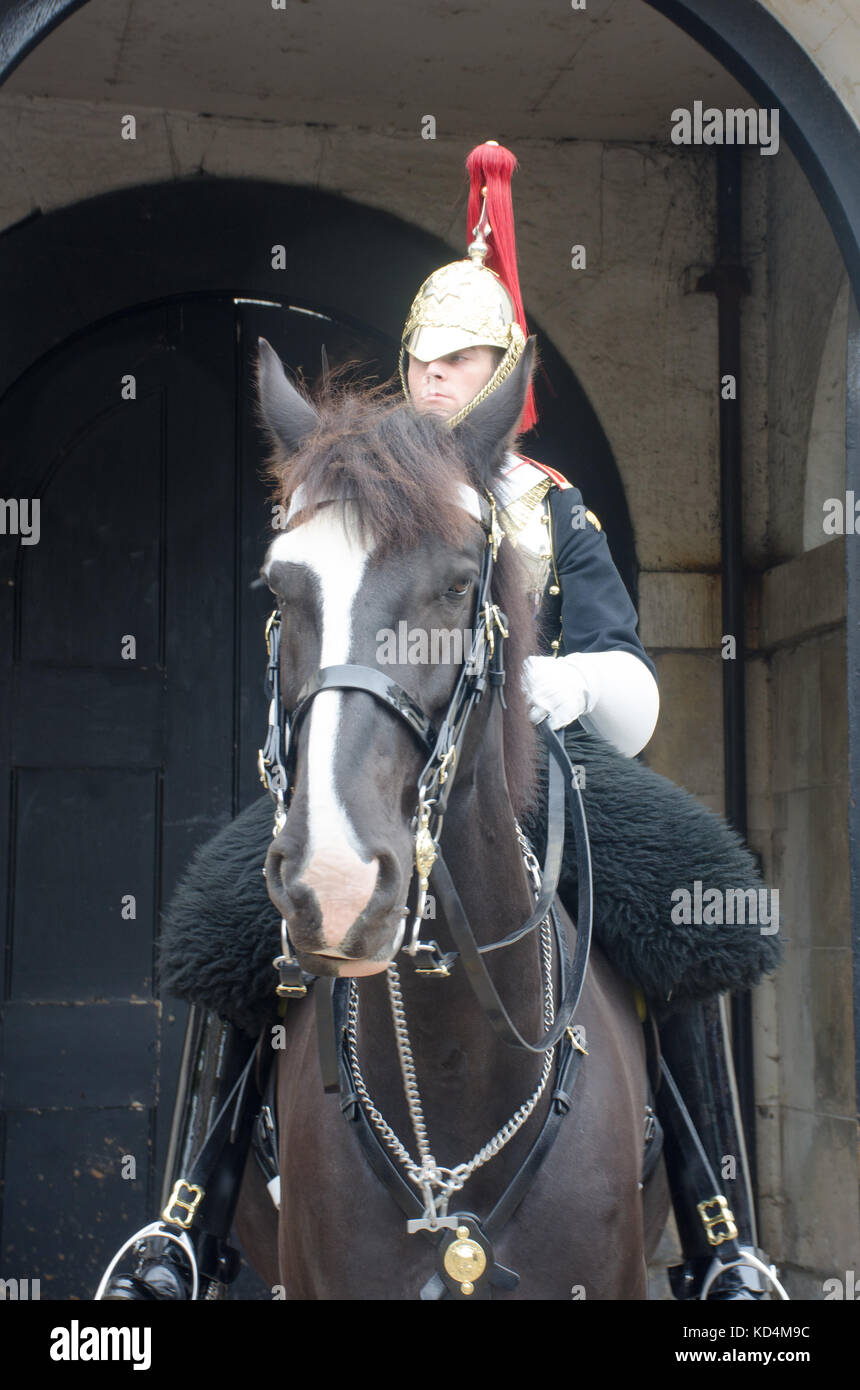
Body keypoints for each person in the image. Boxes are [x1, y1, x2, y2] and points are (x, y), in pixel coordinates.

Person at [96, 141, 779, 1301]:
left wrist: (558, 686)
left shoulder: (546, 507)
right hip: (394, 753)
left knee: (691, 891)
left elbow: (633, 683)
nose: (434, 378)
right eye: (420, 359)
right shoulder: (382, 494)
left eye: (461, 358)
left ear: (505, 368)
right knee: (226, 917)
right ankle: (184, 1222)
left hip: (537, 758)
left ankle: (720, 1237)